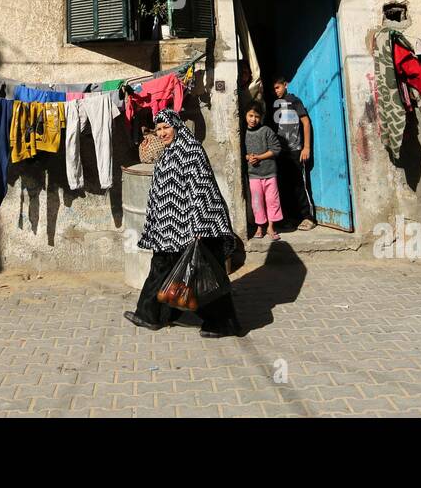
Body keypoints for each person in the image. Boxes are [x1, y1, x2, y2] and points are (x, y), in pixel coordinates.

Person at [125, 109, 244, 338]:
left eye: (166, 127)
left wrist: (198, 228)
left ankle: (224, 324)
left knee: (205, 276)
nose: (161, 133)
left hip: (193, 227)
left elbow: (200, 189)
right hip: (169, 229)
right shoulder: (168, 153)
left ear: (177, 126)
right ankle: (151, 315)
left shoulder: (191, 150)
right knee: (161, 269)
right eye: (158, 129)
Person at [270, 76, 316, 230]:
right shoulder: (276, 105)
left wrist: (306, 147)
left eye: (278, 87)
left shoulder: (294, 101)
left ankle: (308, 217)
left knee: (298, 184)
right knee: (284, 186)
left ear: (285, 85)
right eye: (274, 88)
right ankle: (290, 219)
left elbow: (306, 123)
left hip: (296, 151)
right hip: (281, 153)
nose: (276, 91)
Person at [243, 102, 283, 239]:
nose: (253, 119)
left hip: (270, 173)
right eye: (250, 115)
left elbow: (276, 149)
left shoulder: (266, 131)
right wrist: (248, 157)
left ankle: (271, 227)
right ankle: (259, 227)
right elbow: (241, 153)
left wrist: (259, 157)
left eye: (257, 116)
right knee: (257, 202)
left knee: (272, 200)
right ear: (245, 115)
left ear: (261, 117)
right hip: (254, 175)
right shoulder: (243, 133)